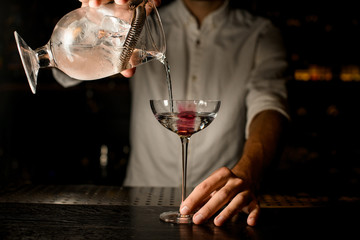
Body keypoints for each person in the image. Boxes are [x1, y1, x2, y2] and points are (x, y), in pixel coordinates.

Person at [57, 0, 289, 227]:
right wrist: (90, 22)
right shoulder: (138, 20)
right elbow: (64, 75)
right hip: (138, 204)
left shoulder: (260, 33)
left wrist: (248, 172)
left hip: (221, 208)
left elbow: (270, 106)